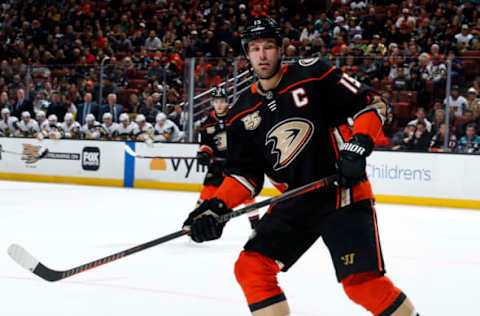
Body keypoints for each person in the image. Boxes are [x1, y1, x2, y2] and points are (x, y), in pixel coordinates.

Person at [182, 16, 418, 316]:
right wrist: (215, 207)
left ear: (282, 48)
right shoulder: (241, 112)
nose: (262, 55)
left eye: (269, 46)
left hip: (341, 192)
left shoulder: (314, 73)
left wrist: (358, 144)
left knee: (362, 284)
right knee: (251, 267)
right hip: (296, 200)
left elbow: (373, 104)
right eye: (255, 49)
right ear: (247, 54)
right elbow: (244, 175)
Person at [197, 87, 260, 229]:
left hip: (236, 163)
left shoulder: (236, 117)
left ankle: (256, 225)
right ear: (212, 103)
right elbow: (205, 144)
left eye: (222, 101)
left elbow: (247, 137)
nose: (219, 105)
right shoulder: (207, 123)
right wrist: (205, 153)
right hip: (217, 166)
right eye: (216, 101)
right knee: (206, 195)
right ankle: (197, 222)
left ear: (227, 102)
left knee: (245, 194)